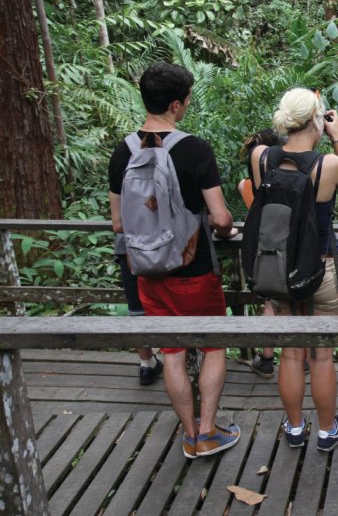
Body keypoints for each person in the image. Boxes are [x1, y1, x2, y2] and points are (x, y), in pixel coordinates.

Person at [108, 62, 240, 458]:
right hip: (193, 269)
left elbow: (118, 223)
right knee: (214, 346)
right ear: (178, 105)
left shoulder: (123, 151)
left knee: (173, 353)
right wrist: (224, 227)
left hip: (147, 271)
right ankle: (207, 431)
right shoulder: (194, 149)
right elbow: (219, 217)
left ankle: (188, 434)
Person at [249, 87, 338, 452]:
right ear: (317, 117)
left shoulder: (261, 157)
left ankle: (295, 428)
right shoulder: (326, 164)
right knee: (321, 353)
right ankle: (328, 431)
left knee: (292, 352)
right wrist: (337, 138)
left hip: (279, 270)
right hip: (322, 268)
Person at [237, 128, 282, 378]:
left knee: (269, 301)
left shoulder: (245, 185)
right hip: (285, 241)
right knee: (293, 301)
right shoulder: (288, 178)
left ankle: (266, 359)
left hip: (261, 242)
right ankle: (300, 357)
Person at [113, 234, 162, 386]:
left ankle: (146, 364)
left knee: (137, 309)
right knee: (177, 307)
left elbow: (117, 224)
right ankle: (183, 364)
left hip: (131, 244)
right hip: (168, 245)